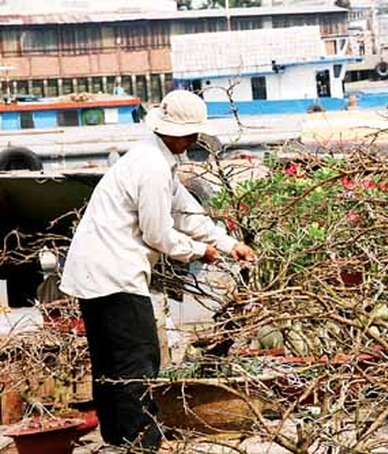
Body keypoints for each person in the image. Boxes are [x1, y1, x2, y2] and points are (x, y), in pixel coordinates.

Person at [60, 90, 255, 453]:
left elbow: (187, 212)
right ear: (176, 132)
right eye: (192, 133)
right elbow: (159, 233)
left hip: (97, 271)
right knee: (138, 360)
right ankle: (142, 443)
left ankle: (118, 439)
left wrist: (230, 244)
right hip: (113, 274)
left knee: (111, 360)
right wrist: (201, 251)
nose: (195, 141)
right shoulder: (151, 168)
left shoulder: (155, 160)